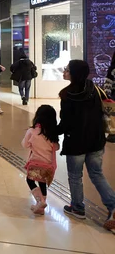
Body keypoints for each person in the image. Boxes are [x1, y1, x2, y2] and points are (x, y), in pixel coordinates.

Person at [58, 60, 115, 232]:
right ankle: (113, 206)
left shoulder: (68, 95)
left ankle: (77, 207)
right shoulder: (95, 89)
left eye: (67, 69)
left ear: (74, 73)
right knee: (97, 174)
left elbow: (65, 124)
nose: (64, 71)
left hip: (76, 143)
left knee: (75, 176)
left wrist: (48, 131)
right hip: (96, 141)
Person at [21, 105, 60, 215]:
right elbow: (56, 147)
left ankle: (40, 201)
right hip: (48, 166)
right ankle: (41, 207)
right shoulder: (52, 133)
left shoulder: (32, 131)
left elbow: (25, 144)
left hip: (35, 164)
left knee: (30, 180)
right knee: (42, 183)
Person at [104, 51, 115, 143]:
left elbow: (108, 82)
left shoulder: (112, 68)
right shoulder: (113, 68)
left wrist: (107, 96)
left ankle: (113, 134)